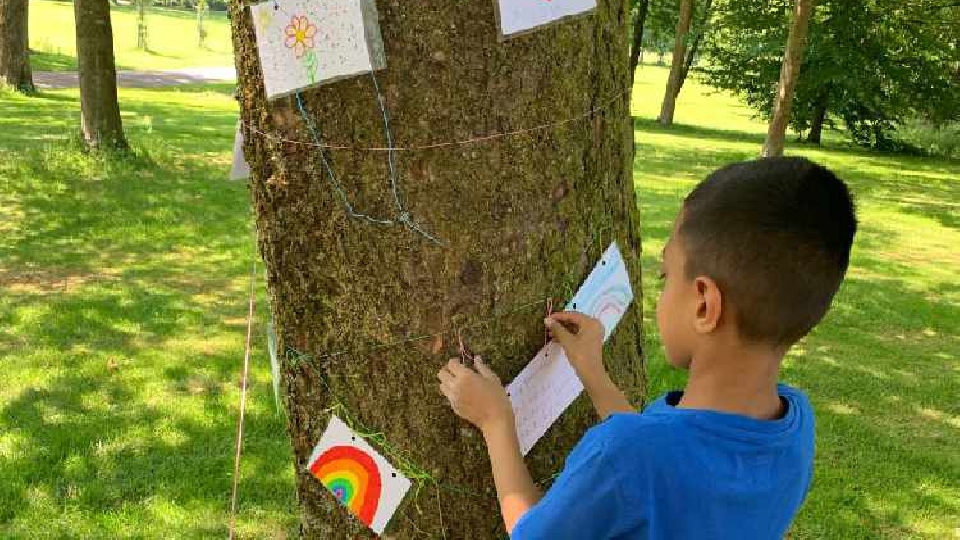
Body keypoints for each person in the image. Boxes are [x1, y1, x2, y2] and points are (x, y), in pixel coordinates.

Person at [437, 156, 858, 539]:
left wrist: (495, 421)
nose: (660, 286)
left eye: (665, 274)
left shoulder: (625, 454)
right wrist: (594, 375)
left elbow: (532, 534)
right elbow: (668, 462)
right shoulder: (794, 427)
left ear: (704, 304)